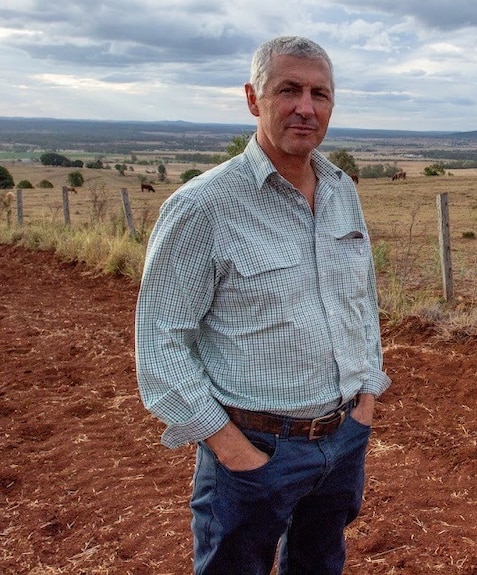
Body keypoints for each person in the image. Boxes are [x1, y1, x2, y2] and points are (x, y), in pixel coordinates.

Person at [135, 36, 390, 575]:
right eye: (288, 90)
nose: (306, 107)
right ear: (254, 99)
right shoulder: (203, 207)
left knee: (320, 565)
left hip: (342, 442)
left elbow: (360, 298)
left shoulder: (342, 190)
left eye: (320, 93)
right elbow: (160, 341)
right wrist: (232, 450)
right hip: (253, 452)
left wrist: (366, 398)